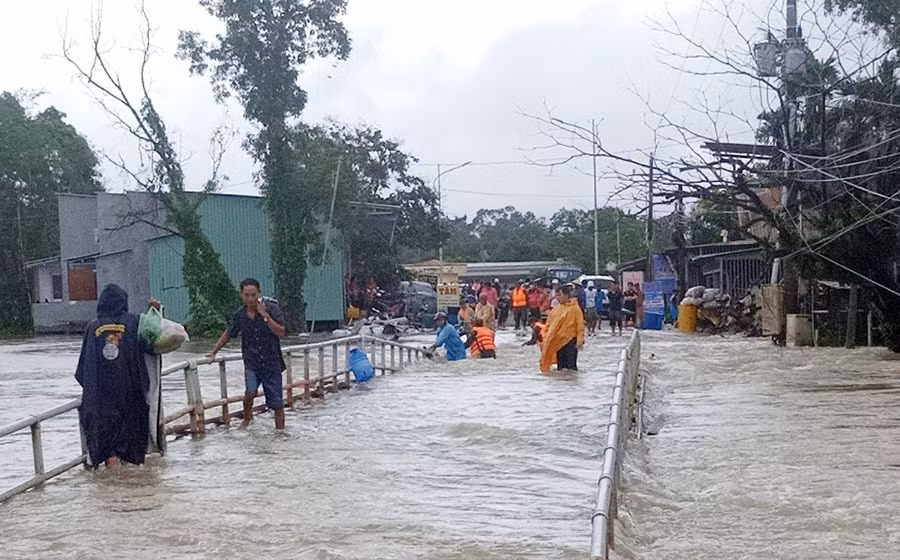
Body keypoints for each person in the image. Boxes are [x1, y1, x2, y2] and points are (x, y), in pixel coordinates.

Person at [75, 284, 158, 468]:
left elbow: (83, 369)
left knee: (108, 448)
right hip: (131, 396)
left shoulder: (92, 328)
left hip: (101, 400)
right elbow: (155, 342)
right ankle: (127, 489)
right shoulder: (135, 323)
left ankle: (113, 486)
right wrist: (155, 312)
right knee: (130, 444)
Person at [209, 278, 287, 430]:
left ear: (259, 293)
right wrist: (214, 352)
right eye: (247, 295)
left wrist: (265, 316)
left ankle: (280, 434)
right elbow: (229, 333)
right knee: (250, 392)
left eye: (253, 295)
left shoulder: (271, 308)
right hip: (252, 362)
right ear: (241, 295)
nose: (250, 299)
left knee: (277, 403)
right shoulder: (240, 315)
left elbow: (281, 332)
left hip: (272, 363)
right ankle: (247, 418)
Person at [540, 284, 585, 373]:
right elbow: (548, 326)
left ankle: (571, 384)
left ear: (566, 295)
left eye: (560, 295)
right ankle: (562, 384)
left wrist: (580, 340)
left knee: (571, 368)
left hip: (571, 341)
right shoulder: (555, 310)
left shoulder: (575, 308)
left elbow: (580, 325)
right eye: (557, 295)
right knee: (561, 368)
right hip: (558, 342)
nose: (557, 297)